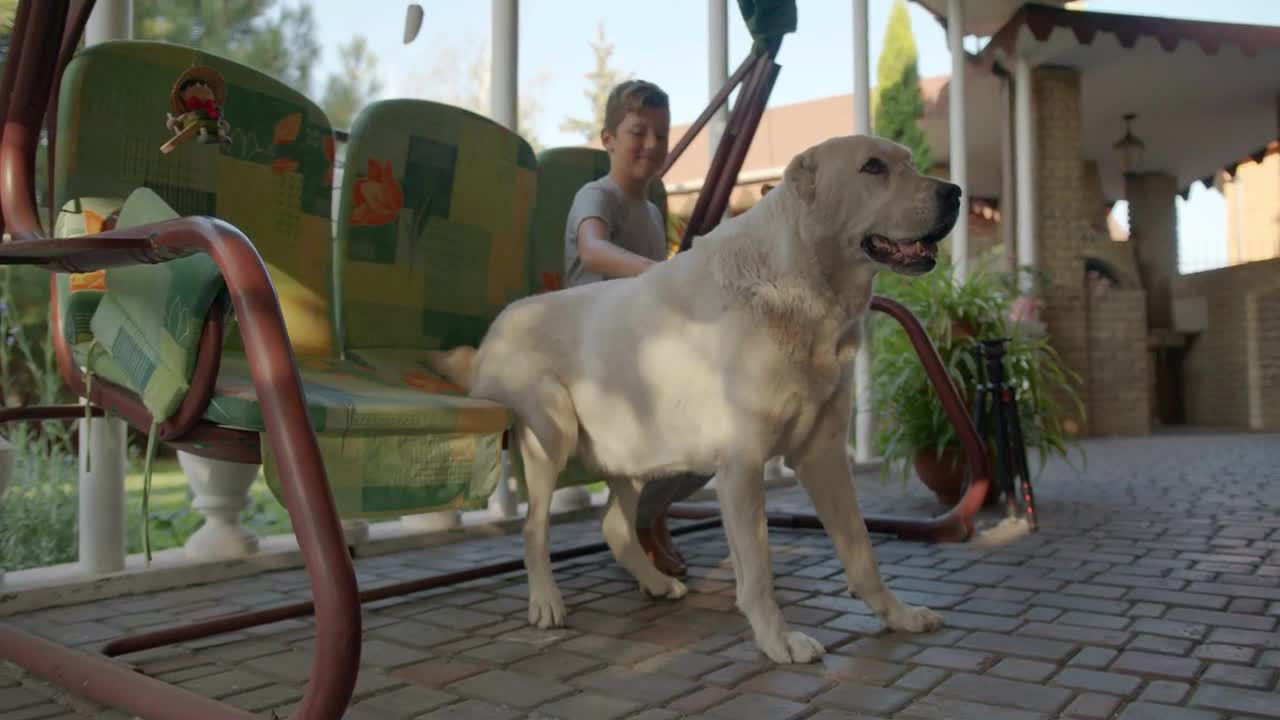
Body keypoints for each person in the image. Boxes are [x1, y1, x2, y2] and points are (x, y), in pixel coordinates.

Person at [562, 79, 710, 577]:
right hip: (592, 356)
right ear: (608, 138)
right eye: (637, 132)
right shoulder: (596, 195)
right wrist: (661, 272)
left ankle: (648, 515)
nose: (651, 144)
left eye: (661, 134)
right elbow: (593, 250)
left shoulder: (651, 210)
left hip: (638, 351)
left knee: (720, 426)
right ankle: (640, 520)